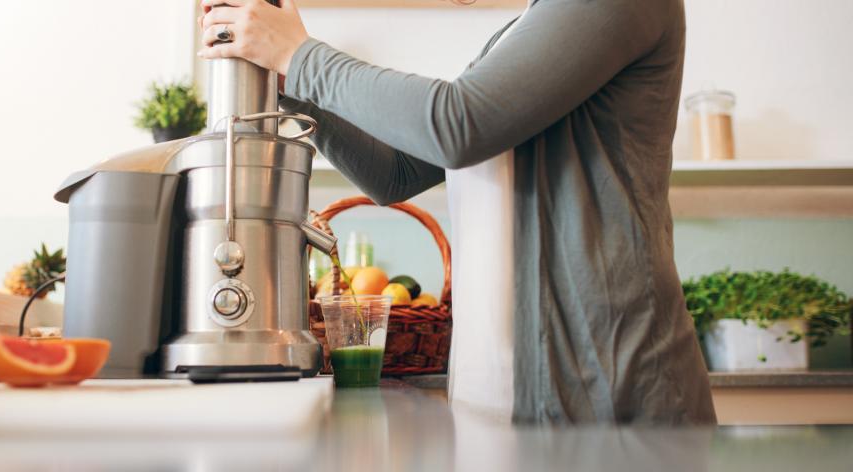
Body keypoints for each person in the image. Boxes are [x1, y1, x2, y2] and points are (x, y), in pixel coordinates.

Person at [198, 0, 717, 425]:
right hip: (504, 394)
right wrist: (291, 79)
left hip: (608, 394)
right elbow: (396, 174)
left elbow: (457, 123)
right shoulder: (522, 31)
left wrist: (301, 55)